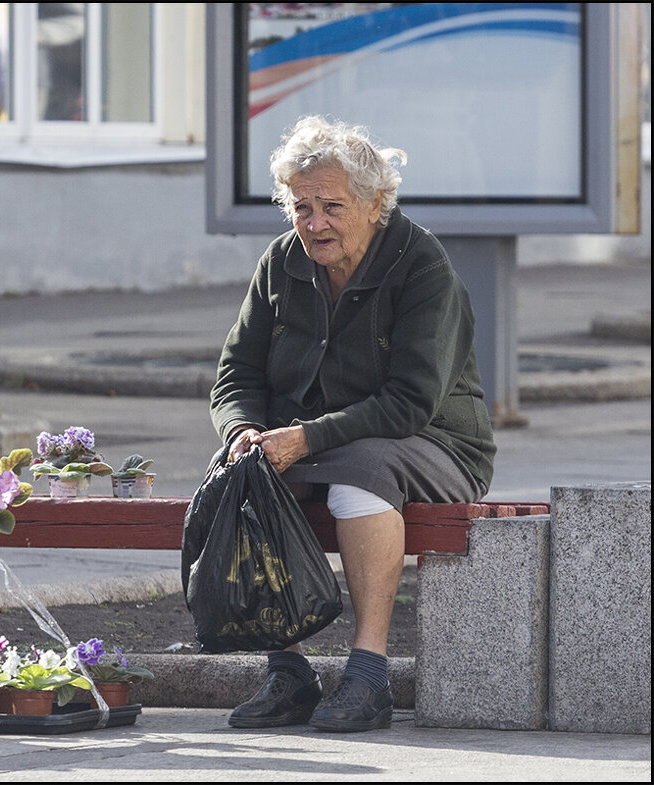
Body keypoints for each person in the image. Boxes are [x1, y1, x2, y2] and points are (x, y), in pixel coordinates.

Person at [210, 116, 495, 733]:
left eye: (332, 206)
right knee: (247, 475)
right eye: (301, 206)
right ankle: (288, 673)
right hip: (306, 446)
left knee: (361, 470)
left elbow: (410, 403)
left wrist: (306, 437)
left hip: (435, 445)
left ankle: (368, 674)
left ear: (375, 203)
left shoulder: (422, 266)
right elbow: (236, 375)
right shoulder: (282, 261)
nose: (314, 224)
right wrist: (241, 434)